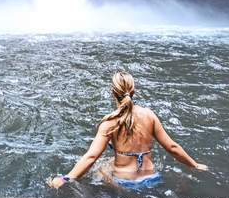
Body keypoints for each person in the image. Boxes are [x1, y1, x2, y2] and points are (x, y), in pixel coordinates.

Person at [47, 70, 208, 189]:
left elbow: (91, 156)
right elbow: (172, 147)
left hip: (125, 183)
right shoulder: (149, 115)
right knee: (107, 162)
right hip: (152, 177)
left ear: (112, 92)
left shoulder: (109, 122)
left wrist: (65, 179)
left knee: (99, 170)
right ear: (134, 91)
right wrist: (195, 165)